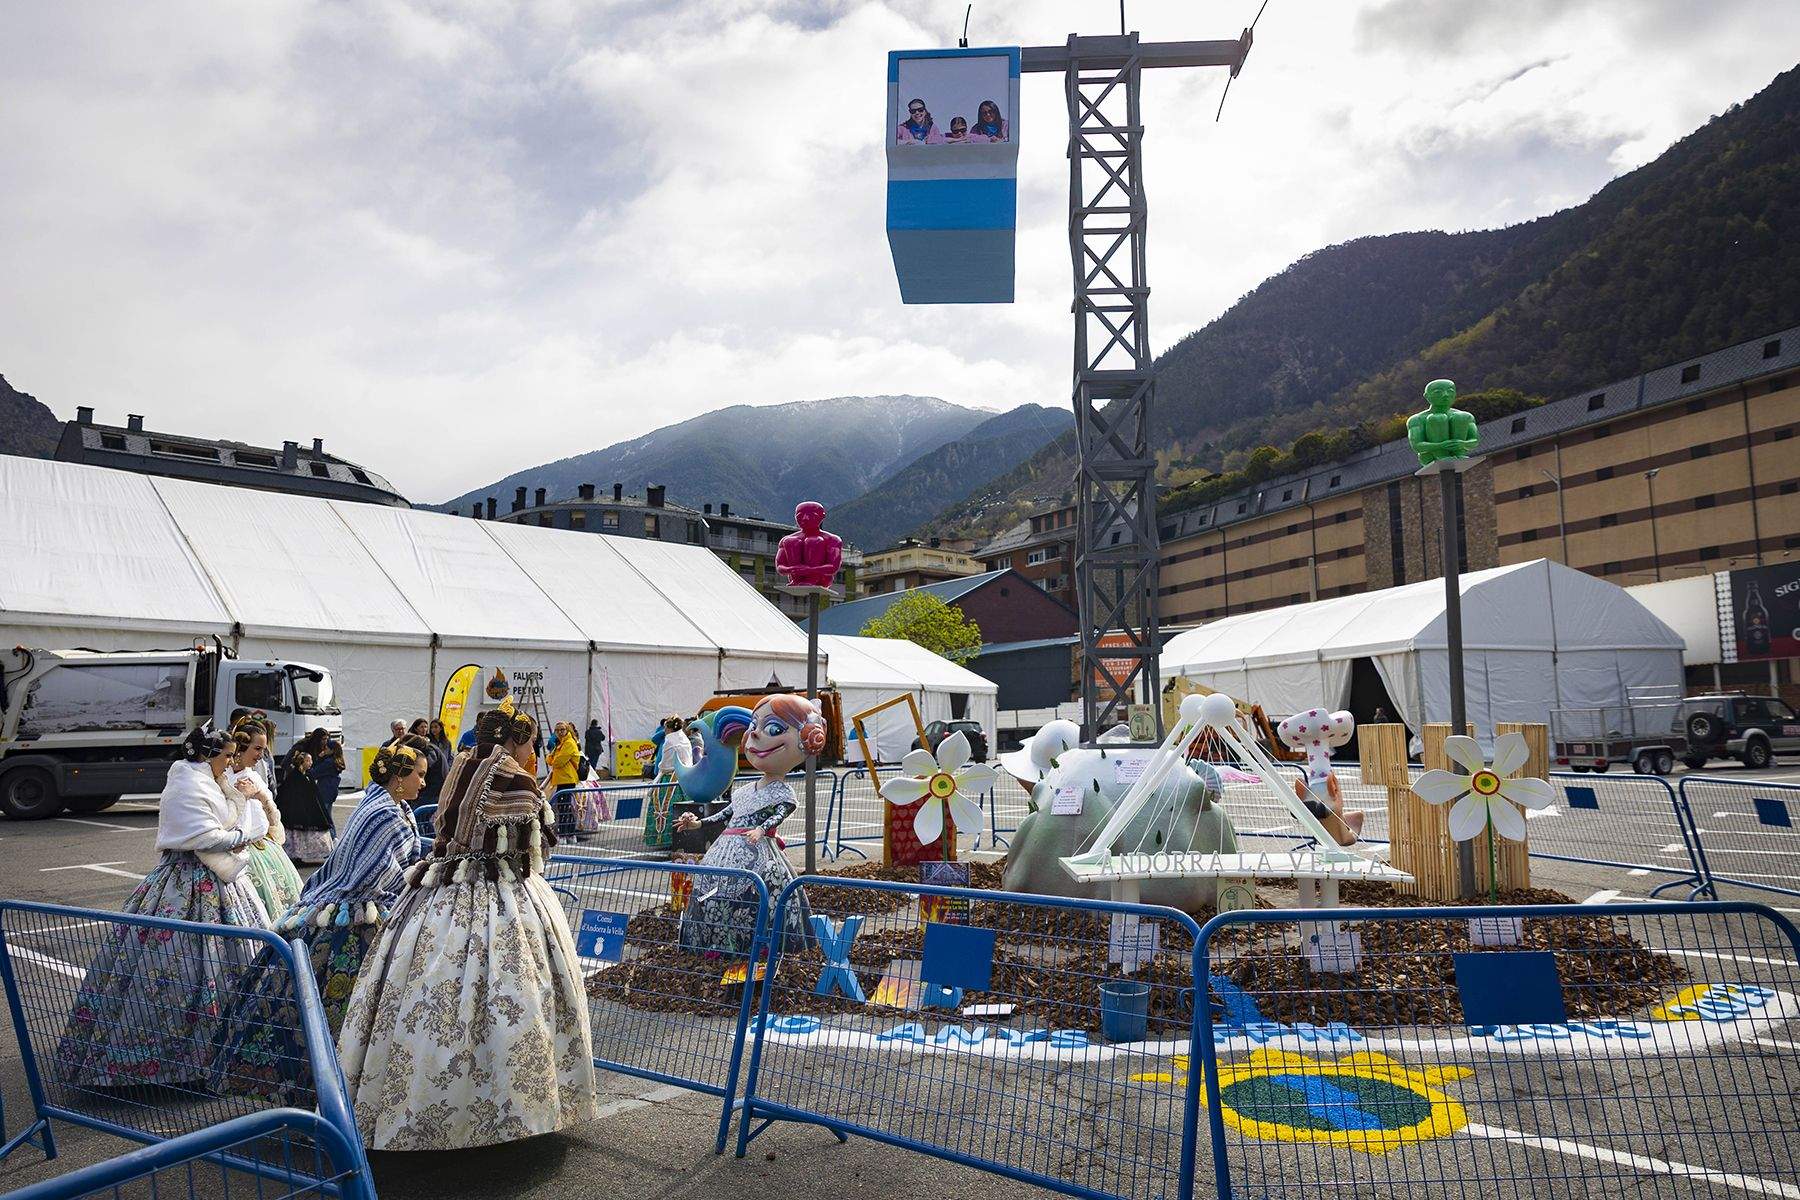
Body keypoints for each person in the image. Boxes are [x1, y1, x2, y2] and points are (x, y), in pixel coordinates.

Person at [337, 702, 597, 1150]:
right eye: (531, 742)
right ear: (516, 738)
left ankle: (411, 1107)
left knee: (425, 994)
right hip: (502, 893)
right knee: (511, 997)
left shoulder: (460, 763)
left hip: (440, 891)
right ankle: (500, 1116)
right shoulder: (514, 777)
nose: (533, 750)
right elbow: (534, 848)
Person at [211, 742, 429, 1102]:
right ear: (399, 777)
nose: (424, 782)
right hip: (356, 918)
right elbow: (368, 874)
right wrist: (414, 876)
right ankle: (332, 1095)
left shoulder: (391, 804)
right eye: (418, 774)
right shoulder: (384, 813)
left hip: (350, 909)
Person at [57, 724, 270, 1088]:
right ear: (208, 755)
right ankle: (167, 1066)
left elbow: (221, 825)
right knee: (178, 972)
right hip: (184, 883)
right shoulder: (188, 784)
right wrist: (248, 828)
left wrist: (242, 804)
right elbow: (207, 837)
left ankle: (222, 1059)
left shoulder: (208, 781)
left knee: (213, 968)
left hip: (214, 883)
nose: (231, 762)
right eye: (227, 755)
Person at [674, 695, 819, 956]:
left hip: (759, 852)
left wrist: (762, 830)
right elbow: (725, 816)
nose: (756, 736)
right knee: (711, 892)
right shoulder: (743, 791)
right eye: (753, 726)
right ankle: (713, 947)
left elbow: (778, 816)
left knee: (761, 896)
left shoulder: (783, 793)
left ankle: (757, 949)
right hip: (723, 851)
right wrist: (697, 824)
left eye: (773, 729)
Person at [227, 721, 304, 921]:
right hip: (232, 846)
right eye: (257, 748)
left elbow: (271, 816)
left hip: (260, 846)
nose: (261, 754)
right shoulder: (222, 776)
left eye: (263, 749)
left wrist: (261, 797)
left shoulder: (254, 777)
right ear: (241, 747)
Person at [280, 729, 337, 864]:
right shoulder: (301, 747)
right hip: (295, 788)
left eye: (326, 739)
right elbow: (286, 763)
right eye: (323, 739)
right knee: (296, 822)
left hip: (306, 785)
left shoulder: (318, 751)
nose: (325, 742)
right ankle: (295, 854)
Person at [421, 719, 454, 806]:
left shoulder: (447, 742)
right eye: (431, 727)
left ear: (441, 728)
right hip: (434, 774)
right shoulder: (428, 742)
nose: (433, 729)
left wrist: (449, 768)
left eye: (436, 727)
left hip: (445, 772)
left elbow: (450, 757)